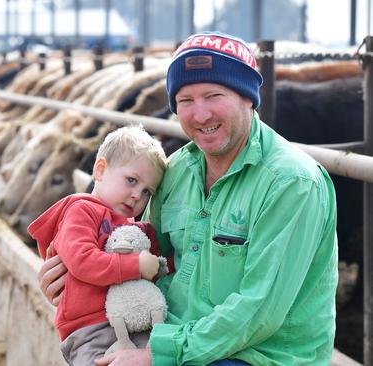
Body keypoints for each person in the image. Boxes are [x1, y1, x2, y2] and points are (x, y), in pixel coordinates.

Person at [38, 31, 338, 366]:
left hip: (259, 354)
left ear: (248, 98)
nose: (201, 115)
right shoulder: (177, 169)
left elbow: (260, 311)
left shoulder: (291, 183)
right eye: (185, 101)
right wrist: (72, 279)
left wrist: (158, 354)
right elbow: (145, 257)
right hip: (175, 334)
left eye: (214, 95)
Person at [27, 125, 172, 366]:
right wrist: (136, 265)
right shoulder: (80, 211)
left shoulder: (130, 226)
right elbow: (82, 261)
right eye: (131, 180)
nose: (138, 195)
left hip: (132, 322)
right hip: (89, 329)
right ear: (100, 169)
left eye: (147, 191)